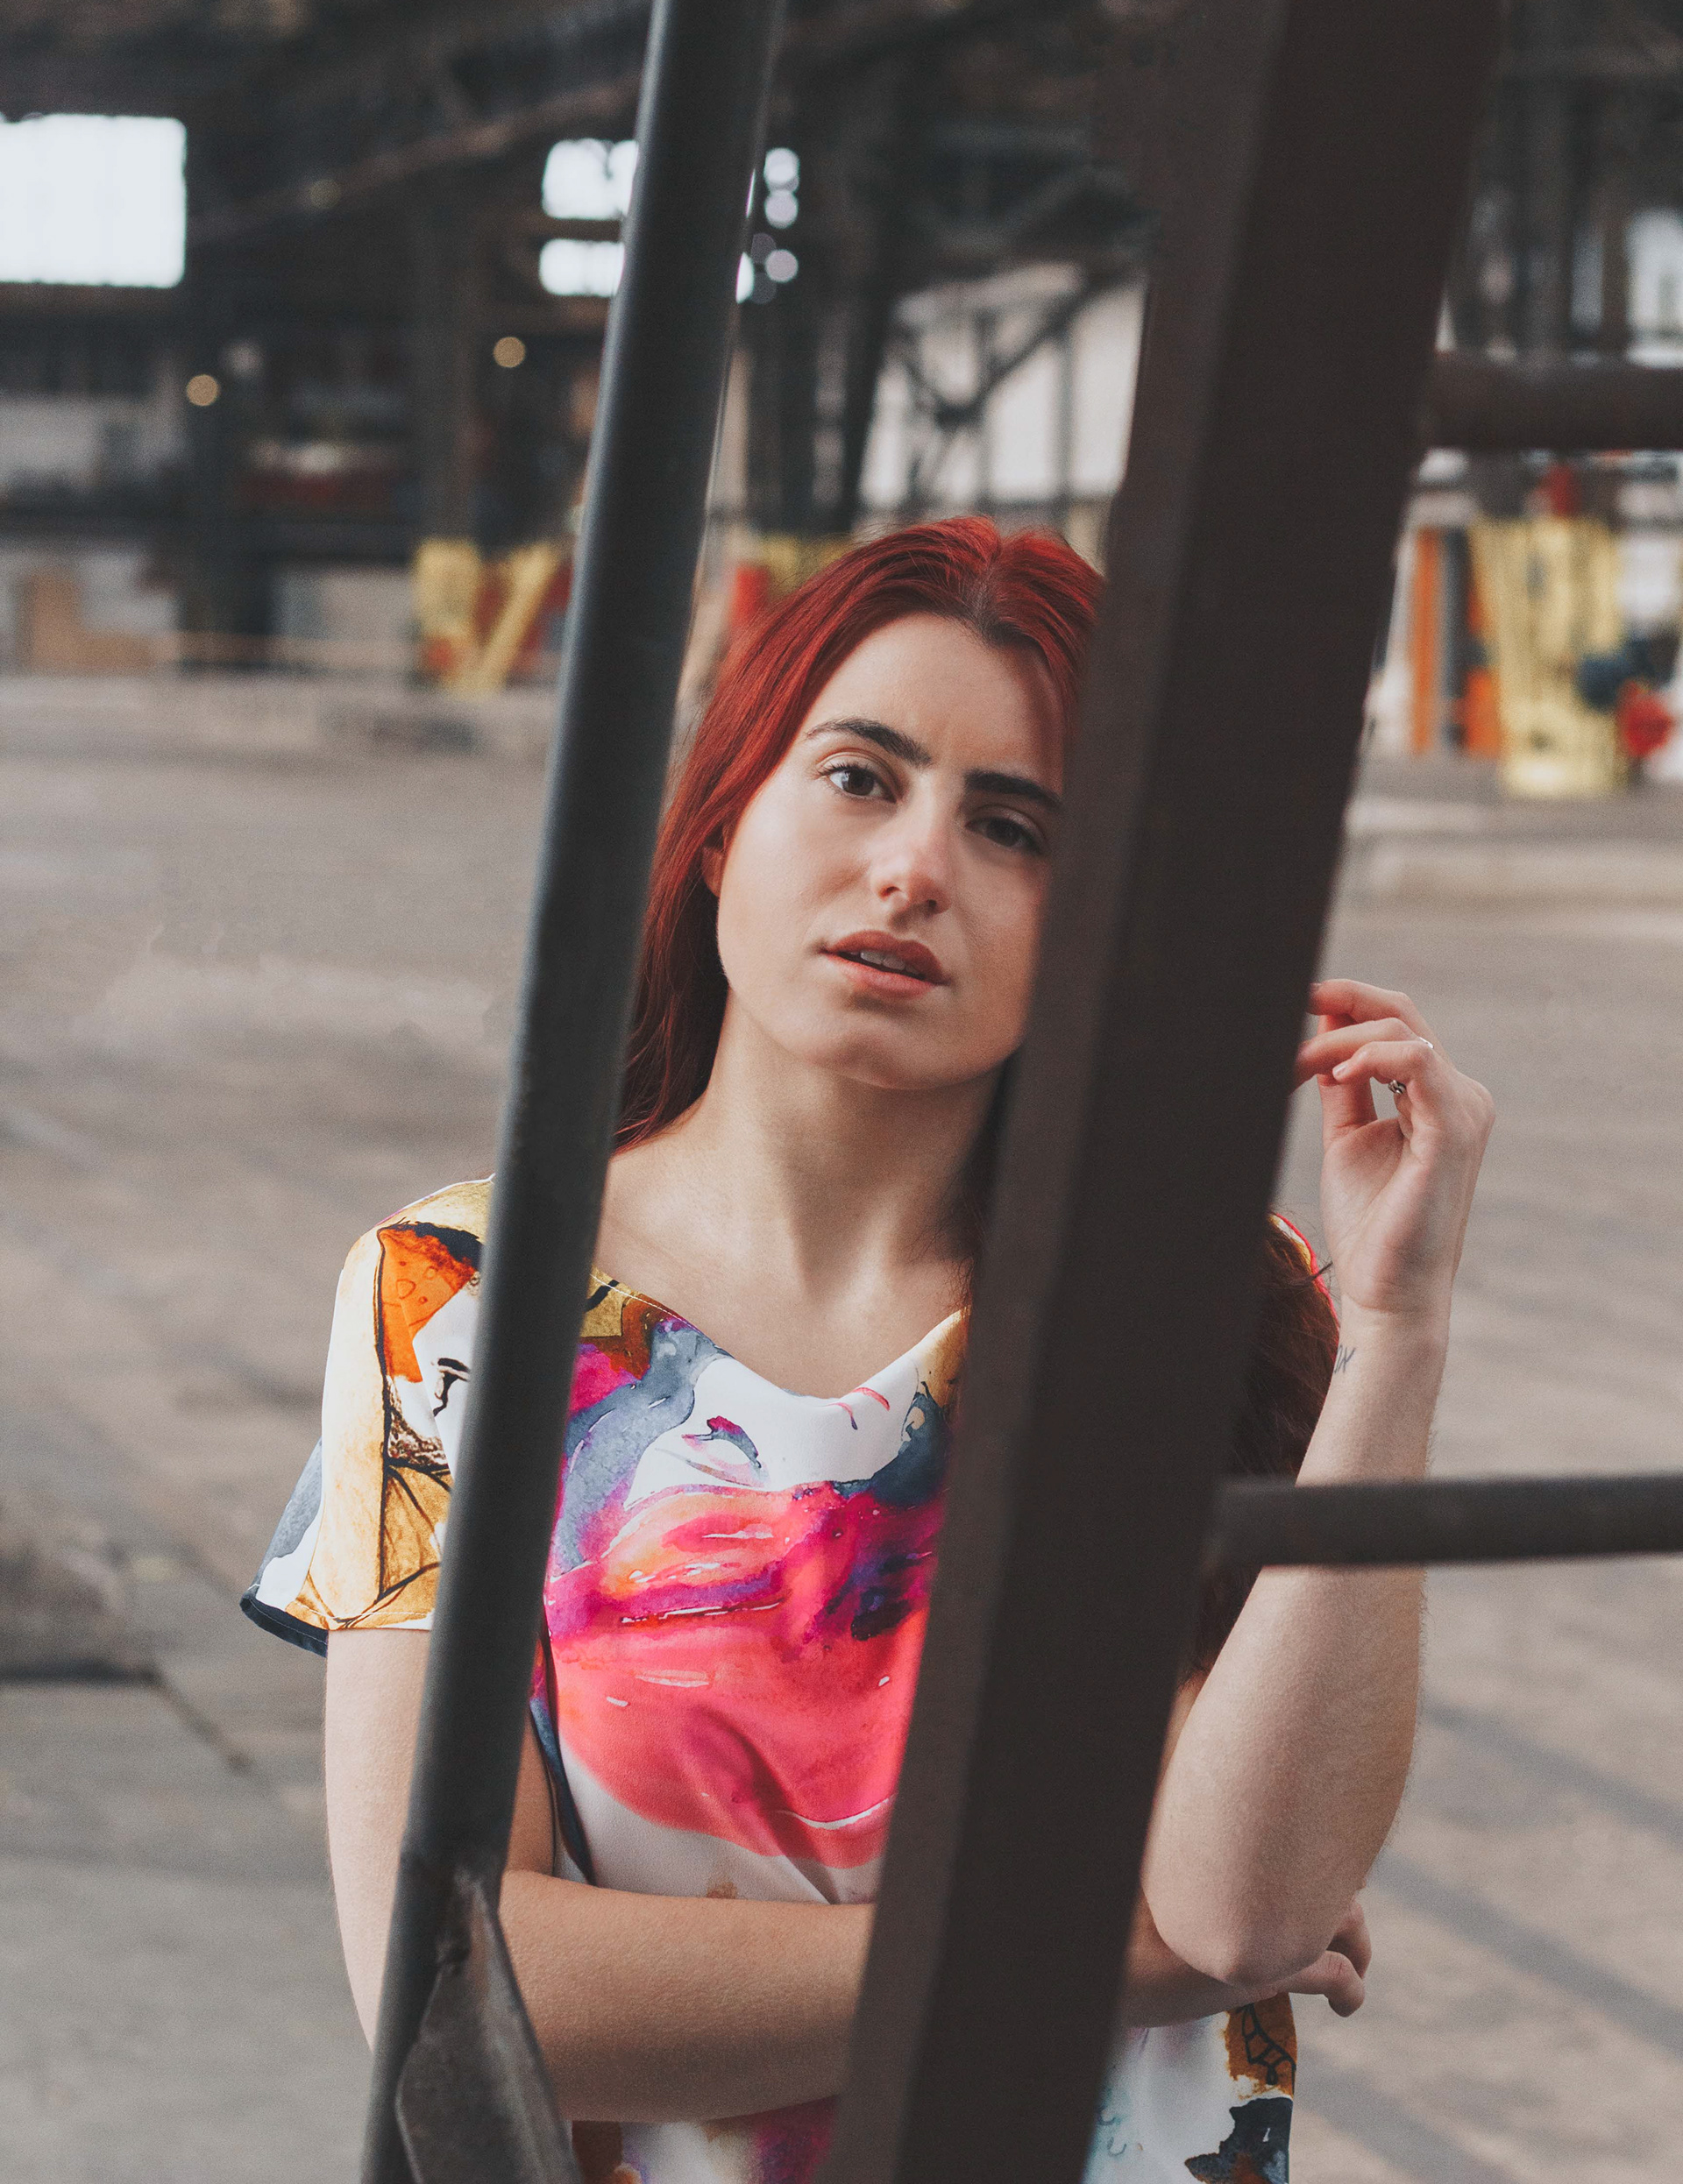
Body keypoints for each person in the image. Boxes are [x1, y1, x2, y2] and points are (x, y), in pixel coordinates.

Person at [246, 517, 1493, 2184]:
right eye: (858, 777)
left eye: (1014, 827)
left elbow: (1246, 1909)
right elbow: (472, 1987)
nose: (914, 869)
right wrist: (1096, 1957)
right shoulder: (465, 1301)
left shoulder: (1192, 1301)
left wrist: (1396, 1330)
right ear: (720, 825)